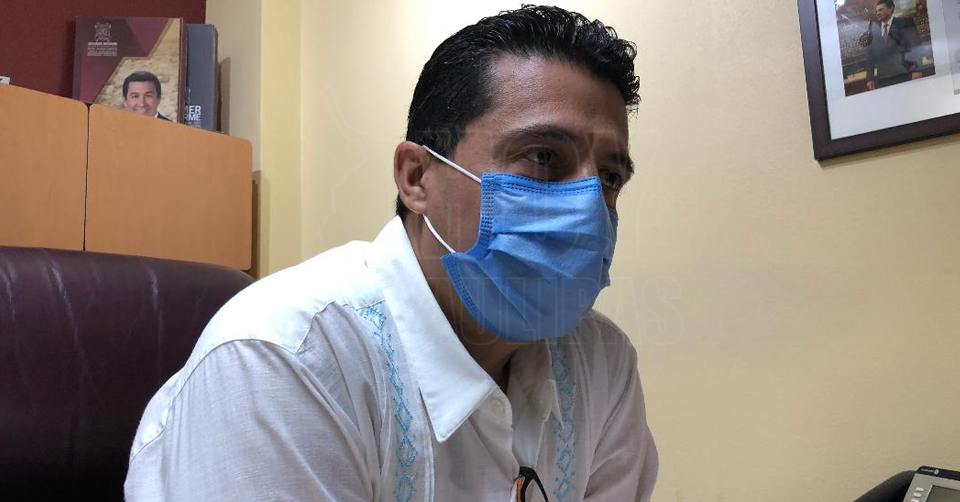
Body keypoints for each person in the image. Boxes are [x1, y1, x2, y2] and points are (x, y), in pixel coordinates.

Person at [124, 5, 657, 502]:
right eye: (542, 157)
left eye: (610, 178)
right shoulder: (287, 360)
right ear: (416, 177)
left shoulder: (601, 362)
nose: (588, 207)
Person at [865, 0, 925, 91]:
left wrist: (917, 70)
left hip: (906, 75)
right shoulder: (874, 30)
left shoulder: (905, 23)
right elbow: (870, 55)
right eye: (876, 11)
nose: (878, 13)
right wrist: (870, 78)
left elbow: (915, 46)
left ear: (891, 9)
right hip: (884, 79)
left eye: (881, 10)